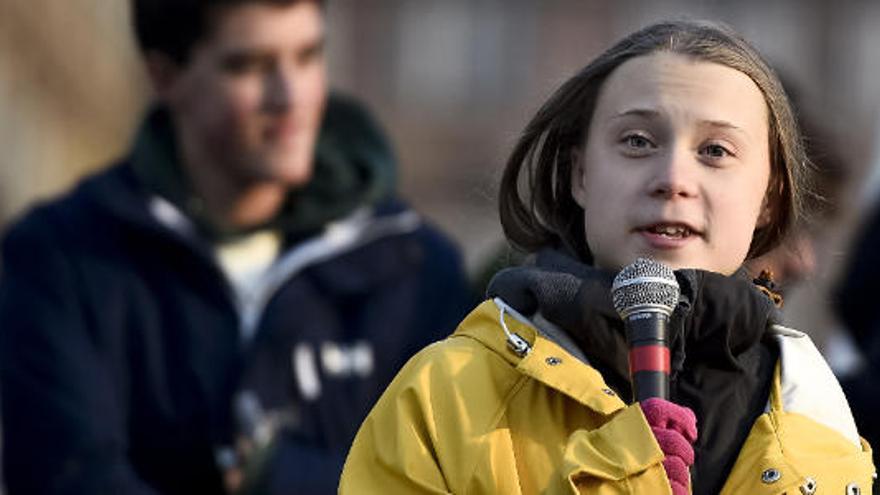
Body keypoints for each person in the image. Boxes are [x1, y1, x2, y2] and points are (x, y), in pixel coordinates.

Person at [339, 20, 875, 495]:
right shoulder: (443, 397)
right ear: (580, 175)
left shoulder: (821, 417)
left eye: (715, 151)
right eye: (638, 141)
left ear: (769, 197)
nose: (672, 180)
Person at [0, 0, 472, 493]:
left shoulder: (414, 268)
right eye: (249, 66)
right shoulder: (60, 257)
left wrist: (280, 476)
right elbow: (64, 478)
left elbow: (446, 480)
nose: (290, 96)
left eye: (308, 56)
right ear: (165, 76)